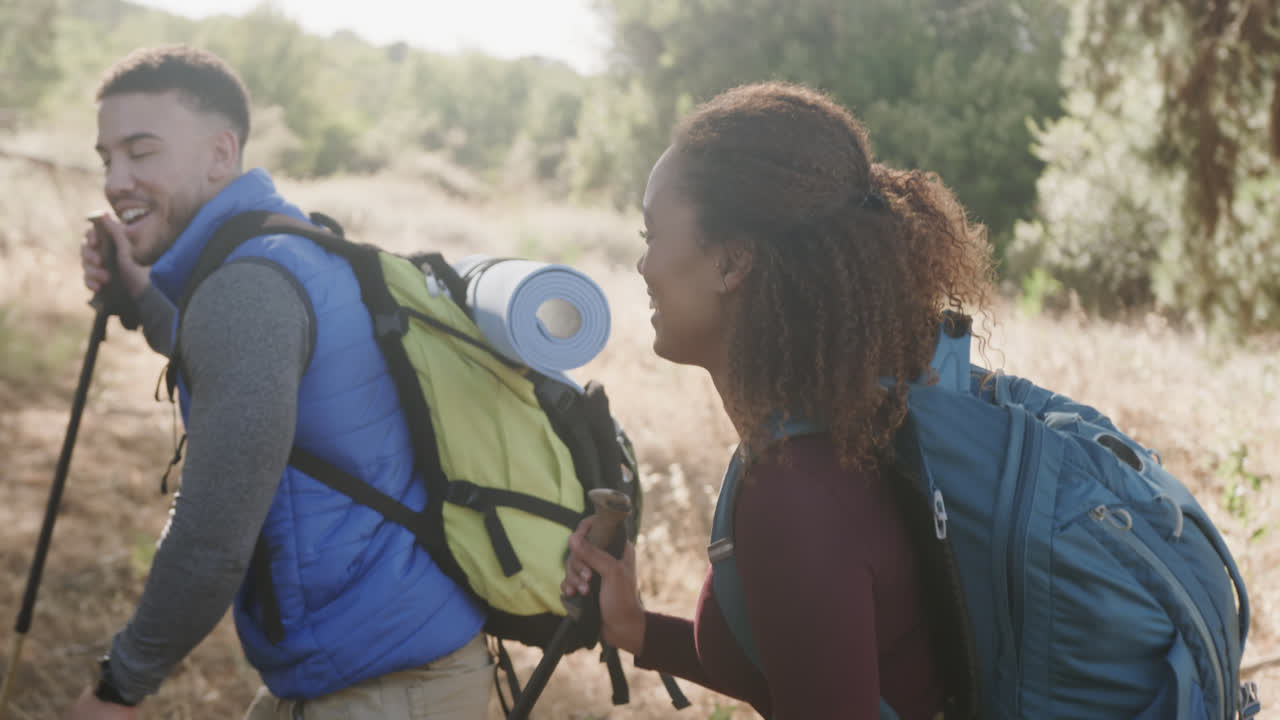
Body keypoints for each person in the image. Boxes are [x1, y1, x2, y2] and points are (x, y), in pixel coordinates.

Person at [70, 45, 491, 720]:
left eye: (141, 152)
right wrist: (138, 295)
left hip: (390, 694)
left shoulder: (245, 288)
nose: (116, 179)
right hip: (386, 670)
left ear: (220, 153)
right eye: (106, 158)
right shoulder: (286, 243)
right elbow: (224, 360)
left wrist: (118, 687)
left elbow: (211, 539)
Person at [562, 81, 995, 719]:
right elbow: (814, 675)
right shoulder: (827, 436)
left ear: (732, 263)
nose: (643, 265)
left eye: (652, 234)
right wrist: (636, 628)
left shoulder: (798, 495)